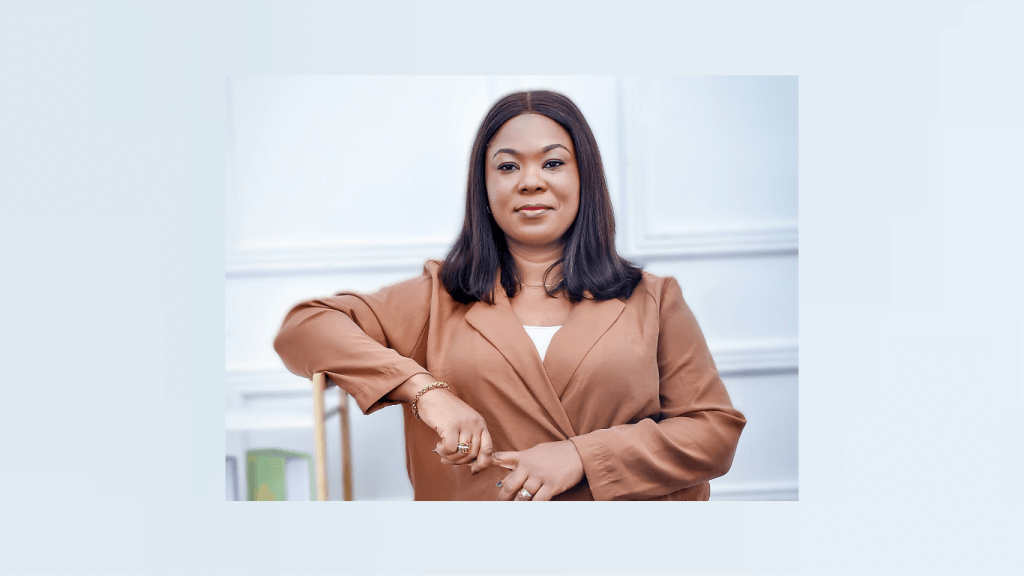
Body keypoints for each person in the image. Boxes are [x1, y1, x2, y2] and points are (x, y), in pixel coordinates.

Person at [273, 90, 746, 501]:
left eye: (554, 162)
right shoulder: (437, 299)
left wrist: (581, 455)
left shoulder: (654, 299)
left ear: (585, 178)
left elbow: (713, 432)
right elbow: (304, 328)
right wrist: (425, 392)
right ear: (484, 185)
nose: (530, 181)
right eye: (507, 166)